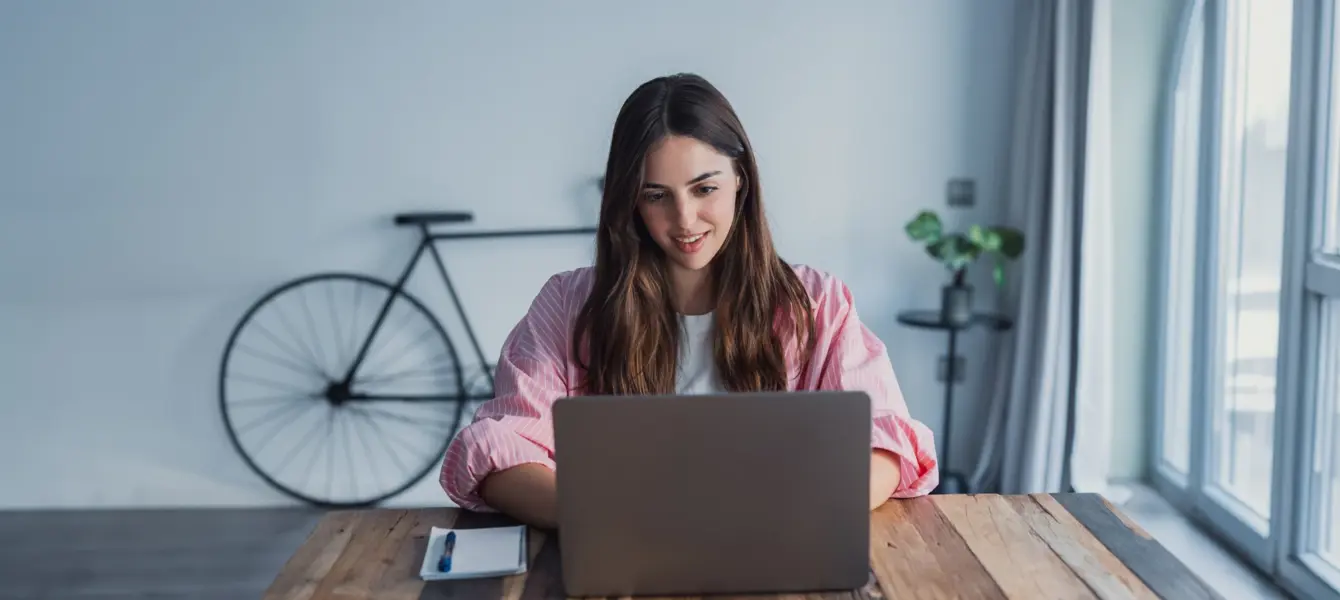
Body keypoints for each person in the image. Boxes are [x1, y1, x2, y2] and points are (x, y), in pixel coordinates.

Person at [441, 73, 938, 529]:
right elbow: (498, 452)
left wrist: (797, 511)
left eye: (704, 189)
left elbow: (886, 445)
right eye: (656, 195)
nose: (684, 220)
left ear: (740, 178)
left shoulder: (816, 304)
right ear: (629, 200)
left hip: (773, 548)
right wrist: (619, 522)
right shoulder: (568, 306)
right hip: (623, 555)